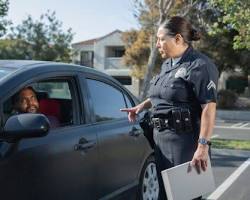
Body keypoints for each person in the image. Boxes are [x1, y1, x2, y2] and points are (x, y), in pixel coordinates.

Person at [121, 16, 218, 200]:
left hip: (184, 144)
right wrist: (140, 107)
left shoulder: (200, 65)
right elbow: (160, 95)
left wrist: (202, 147)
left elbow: (209, 108)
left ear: (178, 39)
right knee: (165, 195)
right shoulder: (167, 64)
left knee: (184, 196)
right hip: (161, 142)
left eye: (161, 39)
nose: (158, 44)